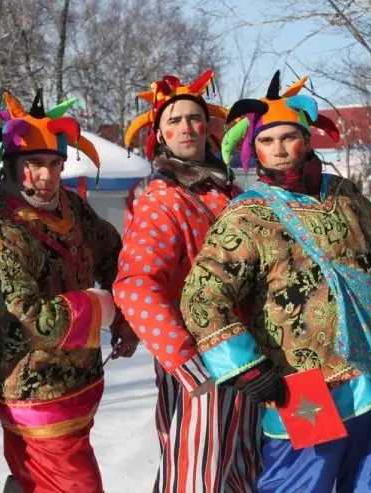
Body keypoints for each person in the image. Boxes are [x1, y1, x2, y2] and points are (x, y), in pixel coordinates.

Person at [180, 71, 371, 492]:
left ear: (306, 139)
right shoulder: (246, 215)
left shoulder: (344, 194)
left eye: (288, 137)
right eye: (267, 142)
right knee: (301, 481)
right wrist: (244, 367)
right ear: (255, 151)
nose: (279, 150)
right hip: (301, 380)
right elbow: (203, 296)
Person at [0, 89, 138, 493]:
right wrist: (101, 307)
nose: (46, 177)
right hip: (34, 392)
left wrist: (130, 313)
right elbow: (19, 323)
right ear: (11, 167)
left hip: (78, 382)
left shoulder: (69, 206)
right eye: (33, 165)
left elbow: (110, 251)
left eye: (53, 164)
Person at [114, 70, 262, 493]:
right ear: (159, 135)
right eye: (174, 120)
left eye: (195, 118)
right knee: (199, 475)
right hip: (204, 357)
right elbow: (136, 283)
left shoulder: (229, 193)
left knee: (244, 466)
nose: (186, 128)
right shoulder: (164, 199)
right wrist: (183, 359)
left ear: (209, 127)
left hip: (250, 354)